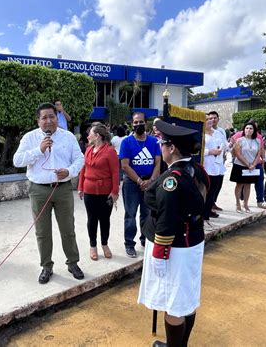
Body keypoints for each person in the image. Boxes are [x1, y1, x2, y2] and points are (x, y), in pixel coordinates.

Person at [137, 120, 209, 347]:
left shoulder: (173, 180)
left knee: (173, 302)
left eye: (162, 143)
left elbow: (167, 219)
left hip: (174, 248)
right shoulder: (196, 168)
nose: (160, 146)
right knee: (186, 298)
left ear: (172, 148)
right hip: (190, 242)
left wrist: (159, 253)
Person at [13, 103, 84, 284]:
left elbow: (79, 159)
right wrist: (39, 149)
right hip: (39, 190)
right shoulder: (30, 138)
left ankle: (73, 263)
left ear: (57, 118)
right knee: (42, 231)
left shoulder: (68, 137)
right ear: (38, 120)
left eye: (52, 116)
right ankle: (46, 266)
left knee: (68, 229)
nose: (48, 120)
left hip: (63, 189)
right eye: (44, 117)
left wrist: (69, 171)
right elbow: (17, 160)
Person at [120, 112, 161, 258]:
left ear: (146, 123)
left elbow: (157, 163)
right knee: (130, 214)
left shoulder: (154, 142)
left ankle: (146, 239)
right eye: (135, 122)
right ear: (132, 124)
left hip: (150, 183)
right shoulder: (126, 142)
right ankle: (129, 244)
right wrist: (139, 181)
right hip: (131, 184)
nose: (138, 124)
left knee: (147, 213)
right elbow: (124, 165)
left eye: (141, 122)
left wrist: (150, 181)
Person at [78, 123, 119, 261]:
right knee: (92, 219)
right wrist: (80, 187)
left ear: (97, 136)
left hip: (105, 192)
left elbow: (115, 173)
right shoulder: (88, 149)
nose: (88, 135)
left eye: (90, 133)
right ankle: (93, 246)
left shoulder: (110, 151)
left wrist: (115, 192)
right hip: (89, 190)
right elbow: (83, 170)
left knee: (105, 219)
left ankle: (104, 244)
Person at [231, 121, 266, 209]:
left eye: (251, 128)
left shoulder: (258, 141)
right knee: (239, 185)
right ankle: (237, 203)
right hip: (240, 165)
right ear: (244, 129)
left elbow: (258, 154)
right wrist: (248, 164)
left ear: (254, 130)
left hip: (252, 166)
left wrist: (254, 164)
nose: (248, 130)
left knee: (248, 185)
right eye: (247, 128)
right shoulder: (239, 140)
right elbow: (238, 154)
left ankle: (246, 203)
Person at [202, 114, 226, 220]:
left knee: (213, 191)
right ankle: (202, 214)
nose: (210, 121)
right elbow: (197, 151)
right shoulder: (201, 134)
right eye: (207, 119)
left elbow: (224, 145)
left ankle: (208, 212)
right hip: (205, 166)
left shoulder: (218, 133)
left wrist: (230, 146)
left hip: (217, 165)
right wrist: (209, 152)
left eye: (211, 119)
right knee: (204, 191)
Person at [207, 111, 228, 211]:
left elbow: (224, 144)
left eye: (214, 118)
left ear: (218, 119)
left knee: (218, 184)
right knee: (210, 186)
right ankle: (208, 206)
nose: (212, 120)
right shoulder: (205, 132)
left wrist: (225, 153)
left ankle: (213, 202)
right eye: (210, 118)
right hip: (209, 163)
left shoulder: (221, 131)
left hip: (220, 162)